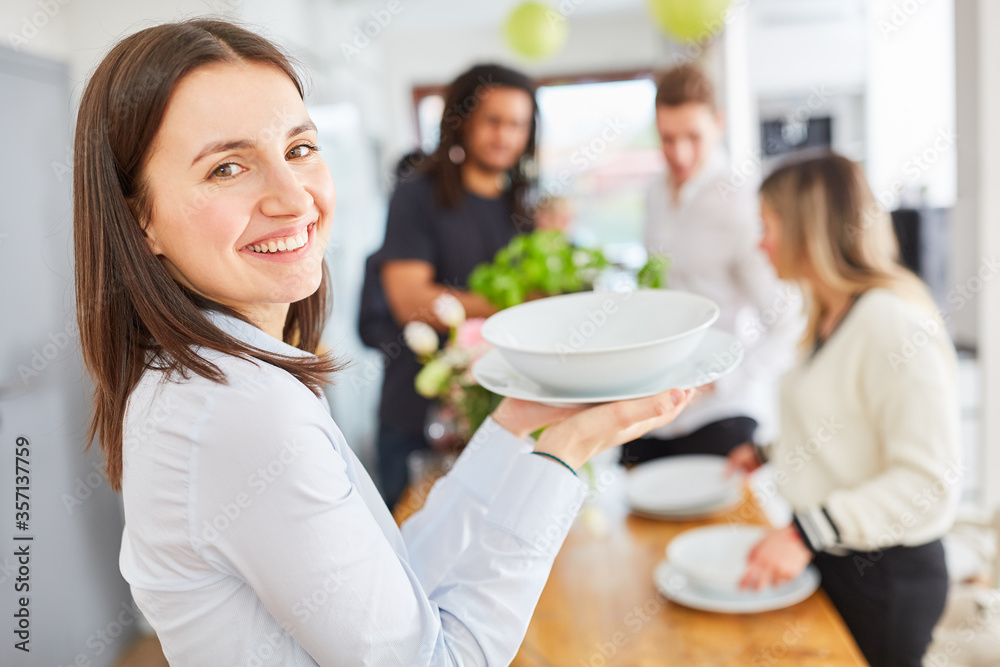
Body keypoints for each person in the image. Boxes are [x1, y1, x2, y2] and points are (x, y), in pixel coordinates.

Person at [73, 19, 694, 664]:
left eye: (299, 149)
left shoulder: (217, 380)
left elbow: (396, 585)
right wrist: (566, 452)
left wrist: (517, 423)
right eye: (227, 167)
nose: (293, 198)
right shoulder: (242, 413)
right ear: (139, 216)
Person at [728, 153, 960, 667]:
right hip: (837, 557)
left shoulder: (892, 323)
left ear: (805, 230)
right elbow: (846, 421)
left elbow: (928, 483)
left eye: (767, 226)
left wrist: (806, 531)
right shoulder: (832, 314)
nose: (759, 244)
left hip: (886, 577)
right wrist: (768, 451)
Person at [367, 64, 540, 509]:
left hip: (496, 415)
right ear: (461, 121)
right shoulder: (416, 194)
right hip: (417, 416)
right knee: (412, 556)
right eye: (493, 120)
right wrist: (515, 305)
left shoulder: (521, 207)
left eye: (517, 124)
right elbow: (410, 302)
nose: (505, 136)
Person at [621, 64, 801, 466]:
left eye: (693, 137)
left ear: (719, 123)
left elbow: (788, 324)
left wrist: (722, 381)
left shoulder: (744, 204)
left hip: (721, 414)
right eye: (667, 139)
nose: (679, 154)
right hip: (657, 405)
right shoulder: (654, 194)